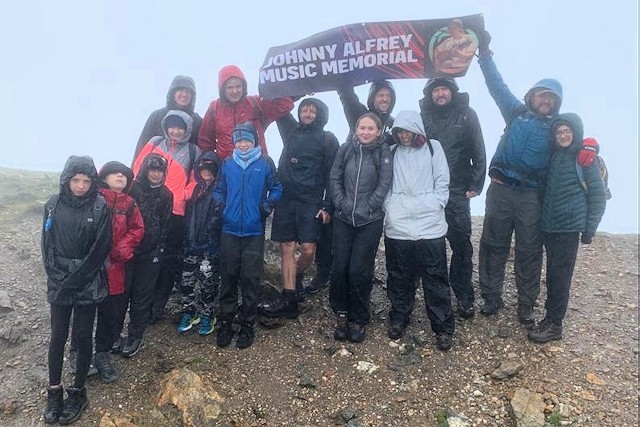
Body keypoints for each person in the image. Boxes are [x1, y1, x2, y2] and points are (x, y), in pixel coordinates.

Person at [475, 30, 563, 325]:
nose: (546, 101)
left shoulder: (556, 127)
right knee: (492, 244)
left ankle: (526, 305)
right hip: (500, 189)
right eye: (543, 95)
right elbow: (495, 84)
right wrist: (484, 54)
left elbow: (571, 141)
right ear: (532, 96)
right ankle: (491, 296)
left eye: (552, 98)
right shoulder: (515, 112)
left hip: (530, 195)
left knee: (528, 249)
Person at [42, 156, 112, 425]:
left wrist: (75, 279)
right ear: (67, 180)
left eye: (86, 180)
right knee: (58, 336)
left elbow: (101, 248)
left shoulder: (100, 205)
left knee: (83, 337)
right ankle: (54, 389)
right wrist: (58, 278)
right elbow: (46, 247)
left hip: (88, 281)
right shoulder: (53, 204)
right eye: (76, 180)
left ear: (93, 181)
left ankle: (78, 391)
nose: (81, 185)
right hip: (59, 281)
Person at [528, 113, 606, 343]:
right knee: (553, 275)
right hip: (550, 227)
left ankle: (554, 325)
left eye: (567, 132)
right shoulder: (556, 155)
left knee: (560, 277)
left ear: (576, 133)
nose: (562, 135)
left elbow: (598, 197)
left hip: (568, 228)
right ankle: (550, 318)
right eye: (559, 132)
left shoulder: (584, 159)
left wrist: (589, 230)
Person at [260, 98, 339, 318]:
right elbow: (278, 105)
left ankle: (293, 279)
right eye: (304, 108)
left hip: (311, 200)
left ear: (321, 113)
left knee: (307, 249)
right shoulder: (290, 130)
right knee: (286, 245)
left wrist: (328, 205)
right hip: (286, 198)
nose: (307, 112)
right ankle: (289, 297)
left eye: (313, 109)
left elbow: (334, 175)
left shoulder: (328, 139)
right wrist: (296, 91)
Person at [383, 110, 453, 350]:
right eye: (399, 131)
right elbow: (385, 184)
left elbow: (442, 181)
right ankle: (399, 316)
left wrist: (435, 203)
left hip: (430, 224)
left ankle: (442, 327)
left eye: (407, 130)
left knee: (435, 277)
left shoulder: (433, 148)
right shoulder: (391, 152)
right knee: (400, 275)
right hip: (399, 225)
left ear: (416, 129)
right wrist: (391, 207)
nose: (403, 135)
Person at [419, 77, 486, 319]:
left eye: (444, 88)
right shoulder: (423, 116)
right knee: (429, 245)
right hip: (428, 191)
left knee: (461, 246)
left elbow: (479, 148)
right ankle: (434, 294)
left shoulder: (467, 114)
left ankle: (464, 296)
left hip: (458, 190)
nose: (440, 93)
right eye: (435, 89)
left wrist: (477, 182)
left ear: (452, 91)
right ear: (430, 94)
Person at [213, 122, 282, 349]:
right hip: (230, 229)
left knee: (251, 279)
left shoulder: (265, 163)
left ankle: (247, 324)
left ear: (255, 141)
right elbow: (219, 189)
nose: (243, 144)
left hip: (254, 229)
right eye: (239, 140)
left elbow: (277, 187)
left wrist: (266, 207)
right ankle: (225, 323)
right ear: (234, 142)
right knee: (229, 277)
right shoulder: (227, 163)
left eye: (247, 140)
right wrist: (221, 206)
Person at [329, 113, 393, 343]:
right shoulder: (346, 149)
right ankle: (342, 313)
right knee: (340, 268)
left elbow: (385, 182)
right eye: (362, 128)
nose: (366, 132)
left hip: (369, 221)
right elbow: (335, 177)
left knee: (359, 270)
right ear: (356, 129)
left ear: (378, 130)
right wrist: (341, 203)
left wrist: (370, 206)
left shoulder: (383, 151)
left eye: (370, 128)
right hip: (344, 218)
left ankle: (360, 317)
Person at [133, 110, 201, 323]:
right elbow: (138, 169)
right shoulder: (154, 142)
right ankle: (140, 304)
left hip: (176, 212)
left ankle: (158, 306)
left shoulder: (193, 150)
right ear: (165, 126)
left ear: (188, 129)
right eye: (172, 126)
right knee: (145, 256)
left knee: (168, 260)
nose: (176, 131)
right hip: (148, 208)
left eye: (181, 127)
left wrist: (183, 195)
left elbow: (196, 179)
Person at [83, 162, 144, 383]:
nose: (120, 176)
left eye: (124, 175)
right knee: (84, 314)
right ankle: (78, 355)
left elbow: (137, 229)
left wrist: (122, 248)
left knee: (109, 314)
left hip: (116, 267)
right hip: (90, 268)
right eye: (114, 173)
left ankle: (102, 354)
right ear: (104, 178)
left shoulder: (130, 204)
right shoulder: (91, 199)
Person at [116, 153, 173, 358]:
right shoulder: (133, 188)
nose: (156, 174)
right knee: (121, 295)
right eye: (152, 169)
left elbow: (165, 224)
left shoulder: (166, 194)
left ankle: (135, 335)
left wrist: (159, 249)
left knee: (142, 296)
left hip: (151, 253)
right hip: (128, 251)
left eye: (160, 170)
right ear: (145, 170)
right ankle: (114, 333)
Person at [198, 65, 294, 160]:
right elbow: (205, 143)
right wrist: (209, 165)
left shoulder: (255, 103)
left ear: (243, 87)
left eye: (238, 86)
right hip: (227, 169)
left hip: (257, 167)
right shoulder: (214, 108)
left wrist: (270, 80)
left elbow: (284, 105)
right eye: (230, 87)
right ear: (222, 89)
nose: (235, 91)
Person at [177, 152, 222, 336]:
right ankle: (189, 311)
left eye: (211, 169)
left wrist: (211, 237)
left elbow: (219, 217)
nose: (206, 172)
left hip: (209, 246)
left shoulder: (220, 191)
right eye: (203, 168)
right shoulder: (194, 189)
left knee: (207, 284)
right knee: (186, 280)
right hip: (190, 244)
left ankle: (208, 314)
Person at [132, 75, 202, 163]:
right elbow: (142, 146)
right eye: (180, 90)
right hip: (154, 170)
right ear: (173, 92)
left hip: (181, 171)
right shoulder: (157, 116)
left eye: (188, 91)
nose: (184, 94)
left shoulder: (197, 121)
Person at [337, 79, 396, 144]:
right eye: (381, 95)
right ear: (372, 98)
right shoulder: (360, 114)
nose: (385, 99)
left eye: (388, 96)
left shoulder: (395, 124)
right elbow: (346, 94)